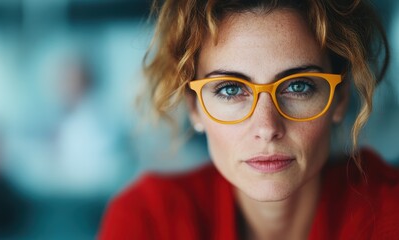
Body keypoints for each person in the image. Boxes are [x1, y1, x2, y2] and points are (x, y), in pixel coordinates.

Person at [99, 0, 399, 239]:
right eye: (230, 89)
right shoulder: (148, 221)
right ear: (195, 107)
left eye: (298, 86)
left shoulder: (389, 213)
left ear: (339, 98)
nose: (267, 128)